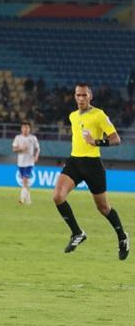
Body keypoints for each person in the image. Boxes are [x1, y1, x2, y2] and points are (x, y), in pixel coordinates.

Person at [53, 83, 128, 260]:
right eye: (78, 95)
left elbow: (116, 139)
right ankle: (77, 233)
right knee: (57, 196)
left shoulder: (99, 115)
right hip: (74, 162)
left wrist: (97, 142)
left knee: (103, 208)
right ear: (74, 96)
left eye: (84, 95)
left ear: (90, 97)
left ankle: (122, 237)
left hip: (93, 165)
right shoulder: (72, 116)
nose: (81, 98)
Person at [12, 121, 40, 205]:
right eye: (24, 127)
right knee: (25, 183)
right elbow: (14, 149)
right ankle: (29, 201)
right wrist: (21, 149)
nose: (25, 129)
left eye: (27, 128)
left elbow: (38, 148)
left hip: (29, 163)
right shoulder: (18, 137)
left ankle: (21, 200)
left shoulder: (33, 138)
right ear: (21, 128)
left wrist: (36, 156)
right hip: (20, 163)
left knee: (24, 181)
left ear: (30, 129)